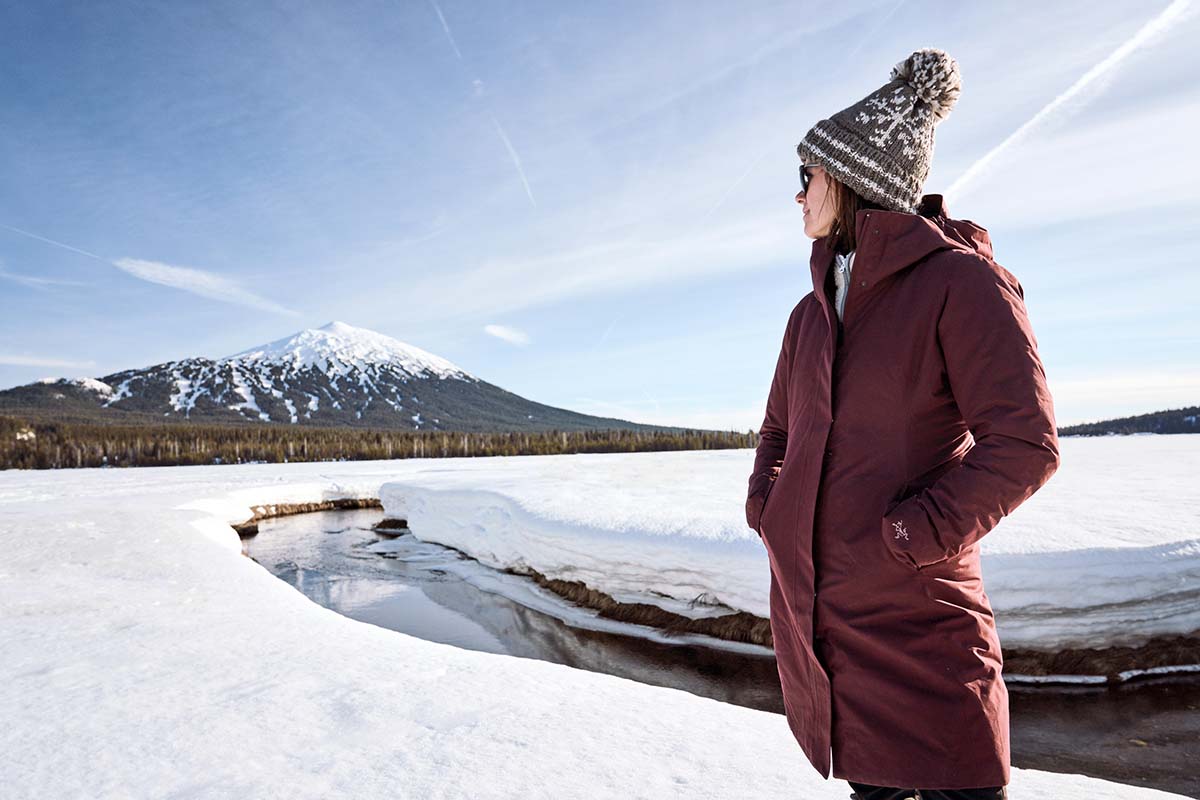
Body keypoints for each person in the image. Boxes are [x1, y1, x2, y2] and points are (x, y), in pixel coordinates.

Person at [745, 48, 1060, 800]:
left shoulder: (962, 284)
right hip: (832, 629)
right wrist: (770, 510)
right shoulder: (809, 314)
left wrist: (909, 537)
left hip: (923, 622)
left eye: (806, 176)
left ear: (851, 179)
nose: (797, 195)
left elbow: (1024, 446)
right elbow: (777, 436)